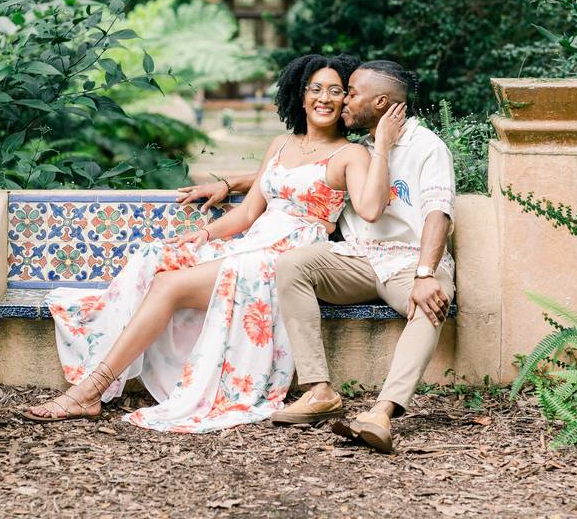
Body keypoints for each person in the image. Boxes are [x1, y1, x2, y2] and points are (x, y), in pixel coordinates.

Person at [21, 54, 406, 433]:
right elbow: (247, 213)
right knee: (157, 256)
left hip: (287, 258)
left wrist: (383, 146)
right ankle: (97, 377)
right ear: (300, 95)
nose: (324, 98)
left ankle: (90, 390)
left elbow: (371, 209)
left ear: (344, 102)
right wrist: (204, 235)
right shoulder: (281, 144)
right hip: (253, 242)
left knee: (167, 285)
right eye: (316, 88)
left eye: (336, 91)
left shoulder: (351, 154)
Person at [177, 60, 456, 452]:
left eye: (351, 94)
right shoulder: (362, 148)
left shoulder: (427, 147)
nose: (342, 102)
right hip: (357, 259)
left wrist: (426, 273)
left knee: (431, 303)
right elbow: (299, 174)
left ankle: (383, 412)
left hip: (410, 263)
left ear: (380, 102)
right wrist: (230, 182)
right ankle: (318, 390)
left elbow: (437, 214)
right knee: (292, 264)